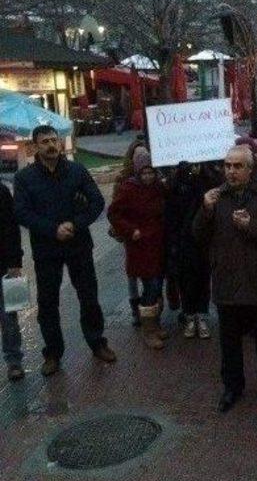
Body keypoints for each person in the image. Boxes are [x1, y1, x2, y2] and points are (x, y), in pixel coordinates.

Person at [193, 145, 257, 412]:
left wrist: (252, 226)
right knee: (229, 344)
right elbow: (197, 235)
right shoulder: (215, 198)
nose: (231, 171)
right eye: (227, 166)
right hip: (227, 283)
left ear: (250, 169)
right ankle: (232, 387)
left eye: (237, 166)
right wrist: (205, 210)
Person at [13, 125, 116, 375]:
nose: (51, 145)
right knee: (48, 303)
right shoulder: (25, 178)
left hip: (78, 245)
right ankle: (52, 353)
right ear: (35, 146)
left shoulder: (76, 170)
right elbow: (22, 213)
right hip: (46, 250)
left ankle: (97, 342)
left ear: (60, 143)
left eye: (54, 140)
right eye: (45, 141)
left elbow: (97, 202)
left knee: (89, 297)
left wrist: (76, 224)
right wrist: (52, 229)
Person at [107, 148, 167, 349]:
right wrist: (130, 230)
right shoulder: (128, 188)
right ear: (138, 172)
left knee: (157, 286)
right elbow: (114, 214)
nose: (148, 176)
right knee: (150, 288)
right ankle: (148, 330)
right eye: (144, 172)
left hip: (157, 245)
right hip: (140, 247)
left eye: (151, 172)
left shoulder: (158, 187)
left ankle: (155, 324)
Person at [166, 162, 218, 339]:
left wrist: (201, 174)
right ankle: (189, 315)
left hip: (202, 240)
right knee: (185, 280)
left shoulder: (207, 179)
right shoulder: (174, 186)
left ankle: (201, 316)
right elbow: (171, 216)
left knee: (203, 279)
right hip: (182, 242)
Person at [0, 182, 24, 381]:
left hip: (3, 266)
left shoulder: (2, 191)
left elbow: (11, 228)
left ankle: (14, 360)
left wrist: (15, 262)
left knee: (9, 317)